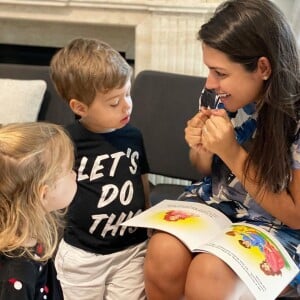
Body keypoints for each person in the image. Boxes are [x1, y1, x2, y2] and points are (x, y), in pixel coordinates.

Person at [143, 0, 300, 299]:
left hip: (277, 223)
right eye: (209, 70)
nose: (210, 82)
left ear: (263, 68)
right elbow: (204, 168)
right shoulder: (222, 96)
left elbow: (296, 216)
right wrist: (201, 146)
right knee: (163, 252)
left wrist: (230, 151)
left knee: (209, 273)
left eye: (220, 72)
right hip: (219, 203)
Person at [50, 38, 150, 300]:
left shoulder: (133, 136)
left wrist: (148, 219)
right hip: (83, 256)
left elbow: (141, 180)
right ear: (79, 108)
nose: (127, 105)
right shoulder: (67, 143)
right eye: (114, 102)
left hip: (131, 248)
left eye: (128, 94)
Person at [0, 122, 77, 300]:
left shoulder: (29, 235)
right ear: (43, 193)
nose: (75, 174)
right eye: (68, 170)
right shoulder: (17, 278)